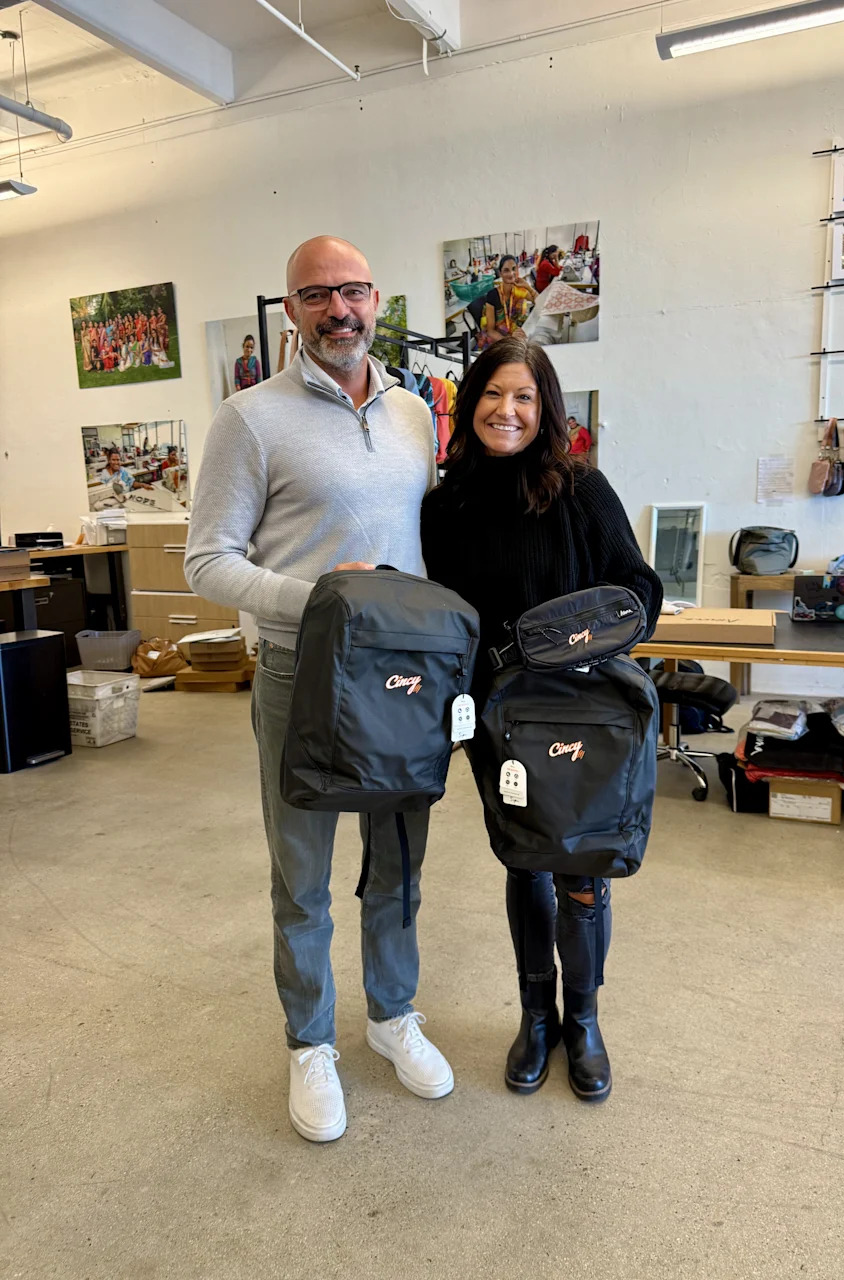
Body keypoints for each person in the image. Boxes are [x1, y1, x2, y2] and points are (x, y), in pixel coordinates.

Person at [184, 235, 449, 1145]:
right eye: (317, 295)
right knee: (303, 875)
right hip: (303, 672)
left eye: (354, 291)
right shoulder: (249, 419)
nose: (340, 309)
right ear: (291, 311)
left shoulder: (413, 414)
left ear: (377, 300)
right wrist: (331, 605)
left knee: (398, 864)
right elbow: (208, 561)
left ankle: (392, 1015)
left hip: (403, 678)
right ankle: (310, 1042)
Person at [420, 338, 662, 1104]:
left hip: (583, 719)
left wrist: (571, 642)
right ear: (470, 405)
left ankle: (583, 1022)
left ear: (545, 407)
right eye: (493, 394)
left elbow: (639, 591)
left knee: (580, 867)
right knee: (524, 861)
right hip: (498, 725)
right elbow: (445, 618)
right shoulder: (444, 506)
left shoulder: (581, 490)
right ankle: (536, 1017)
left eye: (523, 396)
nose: (507, 410)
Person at [479, 255, 537, 349]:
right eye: (506, 270)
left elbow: (541, 303)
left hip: (515, 336)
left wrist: (528, 287)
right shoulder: (493, 295)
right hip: (498, 340)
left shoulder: (519, 290)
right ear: (500, 273)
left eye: (514, 269)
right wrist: (510, 340)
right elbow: (490, 331)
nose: (511, 273)